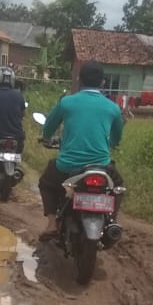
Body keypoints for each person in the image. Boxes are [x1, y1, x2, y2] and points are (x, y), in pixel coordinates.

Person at [38, 60, 124, 241]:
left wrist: (46, 137)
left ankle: (52, 223)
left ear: (79, 80)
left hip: (68, 166)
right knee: (118, 187)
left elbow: (48, 128)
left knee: (47, 182)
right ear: (102, 82)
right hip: (101, 166)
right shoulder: (113, 107)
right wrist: (111, 144)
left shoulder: (67, 102)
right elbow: (116, 138)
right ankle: (111, 220)